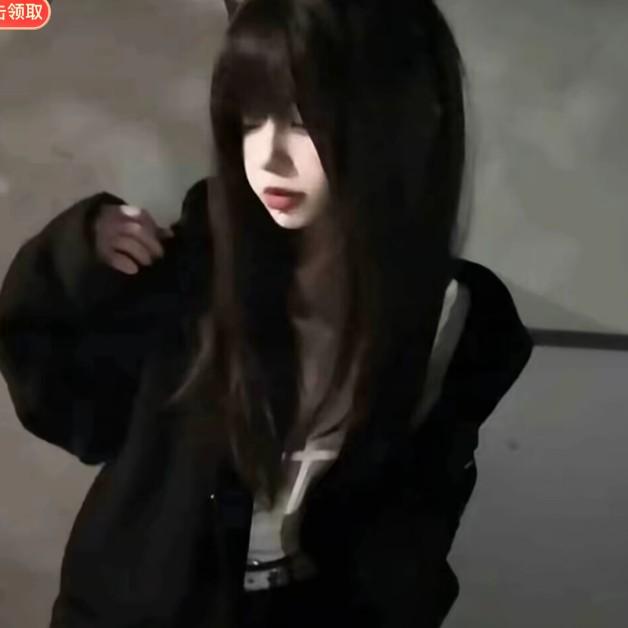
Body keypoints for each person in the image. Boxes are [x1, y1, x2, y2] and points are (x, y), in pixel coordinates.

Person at [0, 0, 533, 626]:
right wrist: (73, 258)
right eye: (252, 118)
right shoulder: (197, 267)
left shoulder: (460, 320)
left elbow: (419, 514)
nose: (268, 156)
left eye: (304, 121)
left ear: (401, 118)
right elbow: (68, 407)